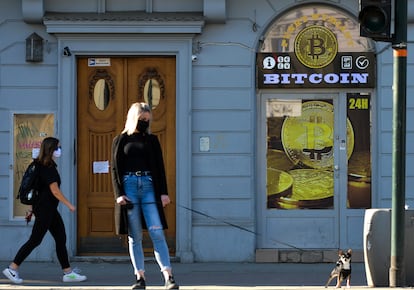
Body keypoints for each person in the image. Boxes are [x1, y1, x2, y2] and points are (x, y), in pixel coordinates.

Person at [111, 102, 178, 290]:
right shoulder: (121, 140)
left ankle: (168, 276)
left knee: (157, 232)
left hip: (148, 186)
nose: (145, 123)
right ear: (134, 118)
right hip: (129, 186)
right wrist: (119, 194)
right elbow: (115, 168)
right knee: (135, 236)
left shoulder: (152, 140)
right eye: (142, 120)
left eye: (147, 120)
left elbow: (160, 167)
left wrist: (164, 193)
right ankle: (140, 277)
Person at [2, 137, 87, 284]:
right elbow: (55, 191)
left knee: (60, 237)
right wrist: (69, 205)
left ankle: (68, 273)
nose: (60, 151)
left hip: (47, 208)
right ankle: (12, 268)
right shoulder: (48, 167)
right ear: (51, 150)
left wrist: (31, 208)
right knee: (35, 240)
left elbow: (35, 188)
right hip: (45, 209)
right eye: (58, 148)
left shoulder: (39, 164)